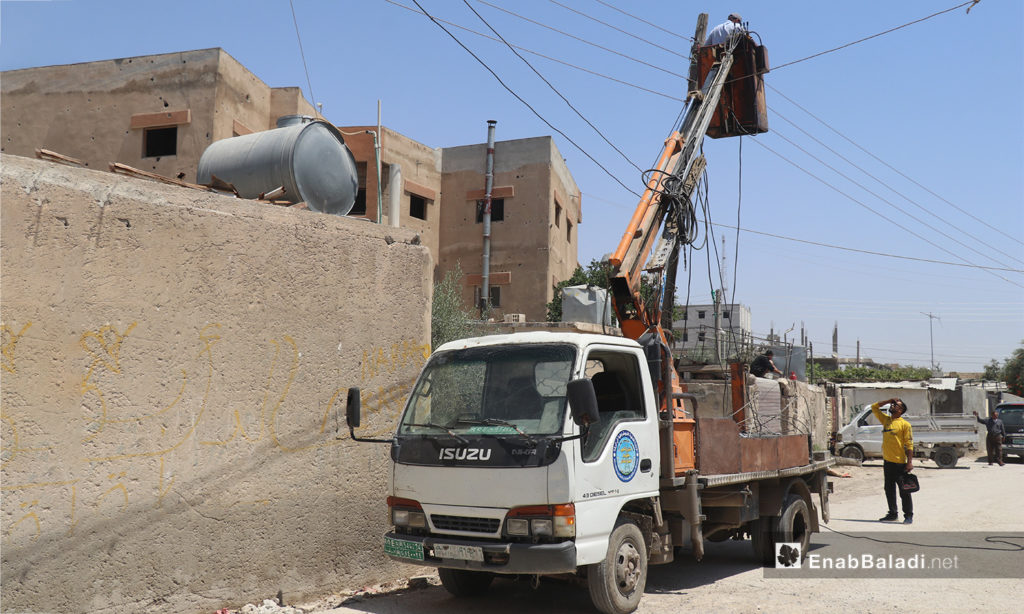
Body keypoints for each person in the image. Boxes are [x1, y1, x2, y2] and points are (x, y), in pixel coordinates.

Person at [871, 398, 914, 524]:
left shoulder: (905, 424)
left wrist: (909, 462)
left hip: (900, 463)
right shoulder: (886, 420)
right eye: (893, 404)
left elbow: (909, 444)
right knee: (889, 489)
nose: (893, 405)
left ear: (900, 410)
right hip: (888, 462)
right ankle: (892, 513)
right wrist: (889, 400)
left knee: (904, 490)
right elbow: (874, 407)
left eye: (896, 405)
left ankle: (908, 515)